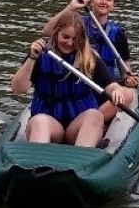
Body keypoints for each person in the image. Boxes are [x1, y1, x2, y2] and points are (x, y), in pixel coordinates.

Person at [11, 10, 130, 146]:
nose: (69, 43)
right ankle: (38, 164)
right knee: (39, 121)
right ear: (56, 33)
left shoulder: (89, 58)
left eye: (75, 39)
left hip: (76, 127)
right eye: (65, 37)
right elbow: (17, 89)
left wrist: (116, 91)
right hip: (50, 125)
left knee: (95, 115)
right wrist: (32, 58)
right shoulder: (40, 54)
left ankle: (81, 161)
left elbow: (111, 85)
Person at [40, 0, 138, 121]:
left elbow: (125, 70)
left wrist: (128, 79)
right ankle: (86, 121)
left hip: (104, 87)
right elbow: (47, 31)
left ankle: (92, 120)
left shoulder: (118, 34)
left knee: (128, 94)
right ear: (91, 1)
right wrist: (71, 7)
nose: (103, 2)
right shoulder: (77, 25)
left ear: (113, 6)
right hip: (79, 85)